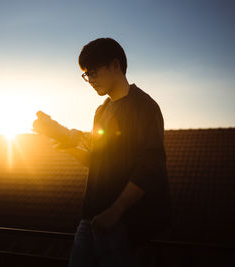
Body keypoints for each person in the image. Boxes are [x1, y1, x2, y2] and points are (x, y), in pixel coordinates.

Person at [57, 37, 172, 266]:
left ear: (116, 65)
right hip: (90, 218)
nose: (90, 80)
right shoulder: (101, 111)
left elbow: (152, 166)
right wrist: (70, 148)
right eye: (86, 74)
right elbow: (98, 161)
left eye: (94, 71)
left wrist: (116, 211)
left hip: (123, 222)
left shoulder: (145, 106)